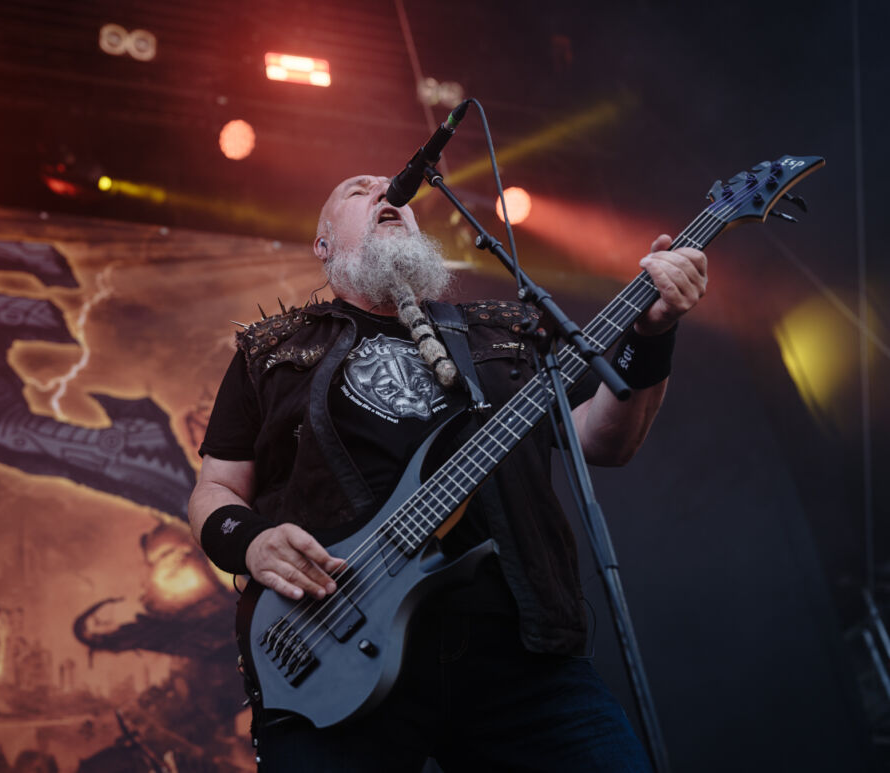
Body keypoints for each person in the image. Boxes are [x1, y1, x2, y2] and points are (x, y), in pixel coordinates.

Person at [189, 174, 707, 771]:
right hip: (332, 640)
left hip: (518, 652)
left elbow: (604, 440)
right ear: (322, 245)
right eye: (359, 191)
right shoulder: (268, 353)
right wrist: (252, 544)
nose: (386, 192)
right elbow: (216, 489)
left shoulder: (505, 331)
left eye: (394, 190)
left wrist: (652, 335)